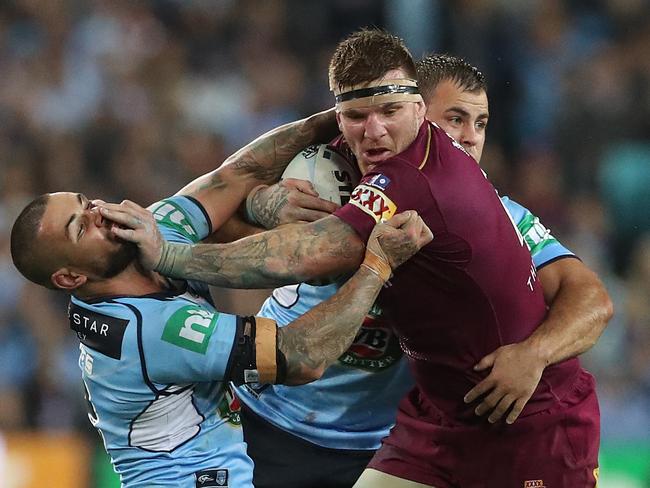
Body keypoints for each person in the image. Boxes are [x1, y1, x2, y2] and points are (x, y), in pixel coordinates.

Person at [109, 30, 606, 487]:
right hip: (278, 416)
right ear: (422, 112)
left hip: (413, 431)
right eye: (455, 118)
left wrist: (535, 352)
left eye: (480, 123)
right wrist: (260, 205)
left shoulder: (499, 213)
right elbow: (227, 206)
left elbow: (591, 299)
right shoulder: (324, 171)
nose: (471, 136)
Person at [9, 109, 432, 487]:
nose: (97, 215)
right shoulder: (145, 332)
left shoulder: (148, 235)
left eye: (85, 203)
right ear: (69, 277)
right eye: (80, 228)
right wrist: (376, 265)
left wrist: (342, 116)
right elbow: (302, 356)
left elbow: (238, 173)